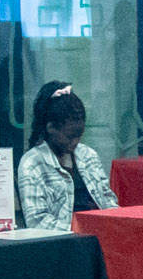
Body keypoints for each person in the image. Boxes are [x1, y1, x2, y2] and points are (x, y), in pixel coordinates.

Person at [18, 81, 110, 228]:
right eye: (70, 136)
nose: (75, 142)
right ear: (50, 128)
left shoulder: (88, 155)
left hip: (99, 236)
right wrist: (80, 231)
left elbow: (108, 202)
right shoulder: (32, 163)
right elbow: (37, 222)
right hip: (62, 243)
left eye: (79, 135)